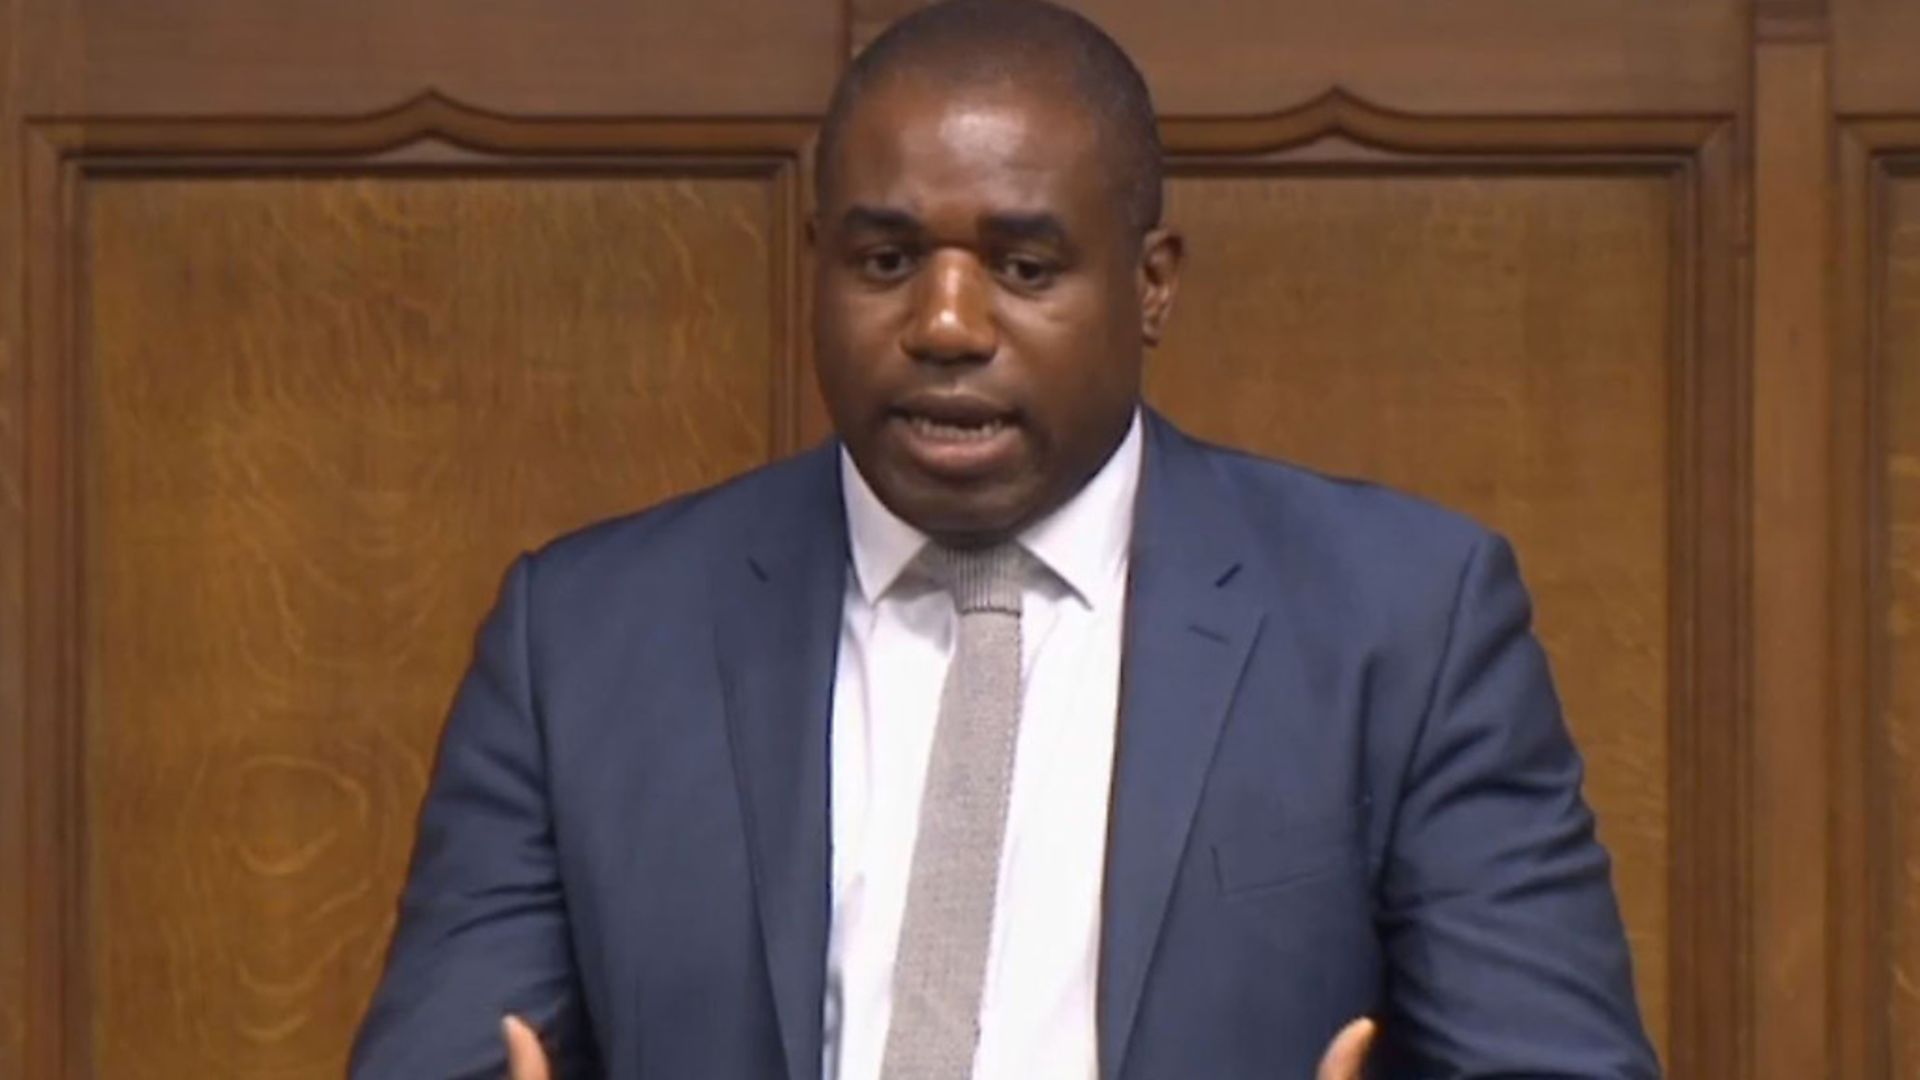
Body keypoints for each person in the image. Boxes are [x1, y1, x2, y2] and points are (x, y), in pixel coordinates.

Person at [349, 1, 1658, 1077]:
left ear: (1151, 286)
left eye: (1026, 270)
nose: (947, 324)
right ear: (814, 267)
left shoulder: (1402, 623)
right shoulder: (582, 640)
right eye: (883, 262)